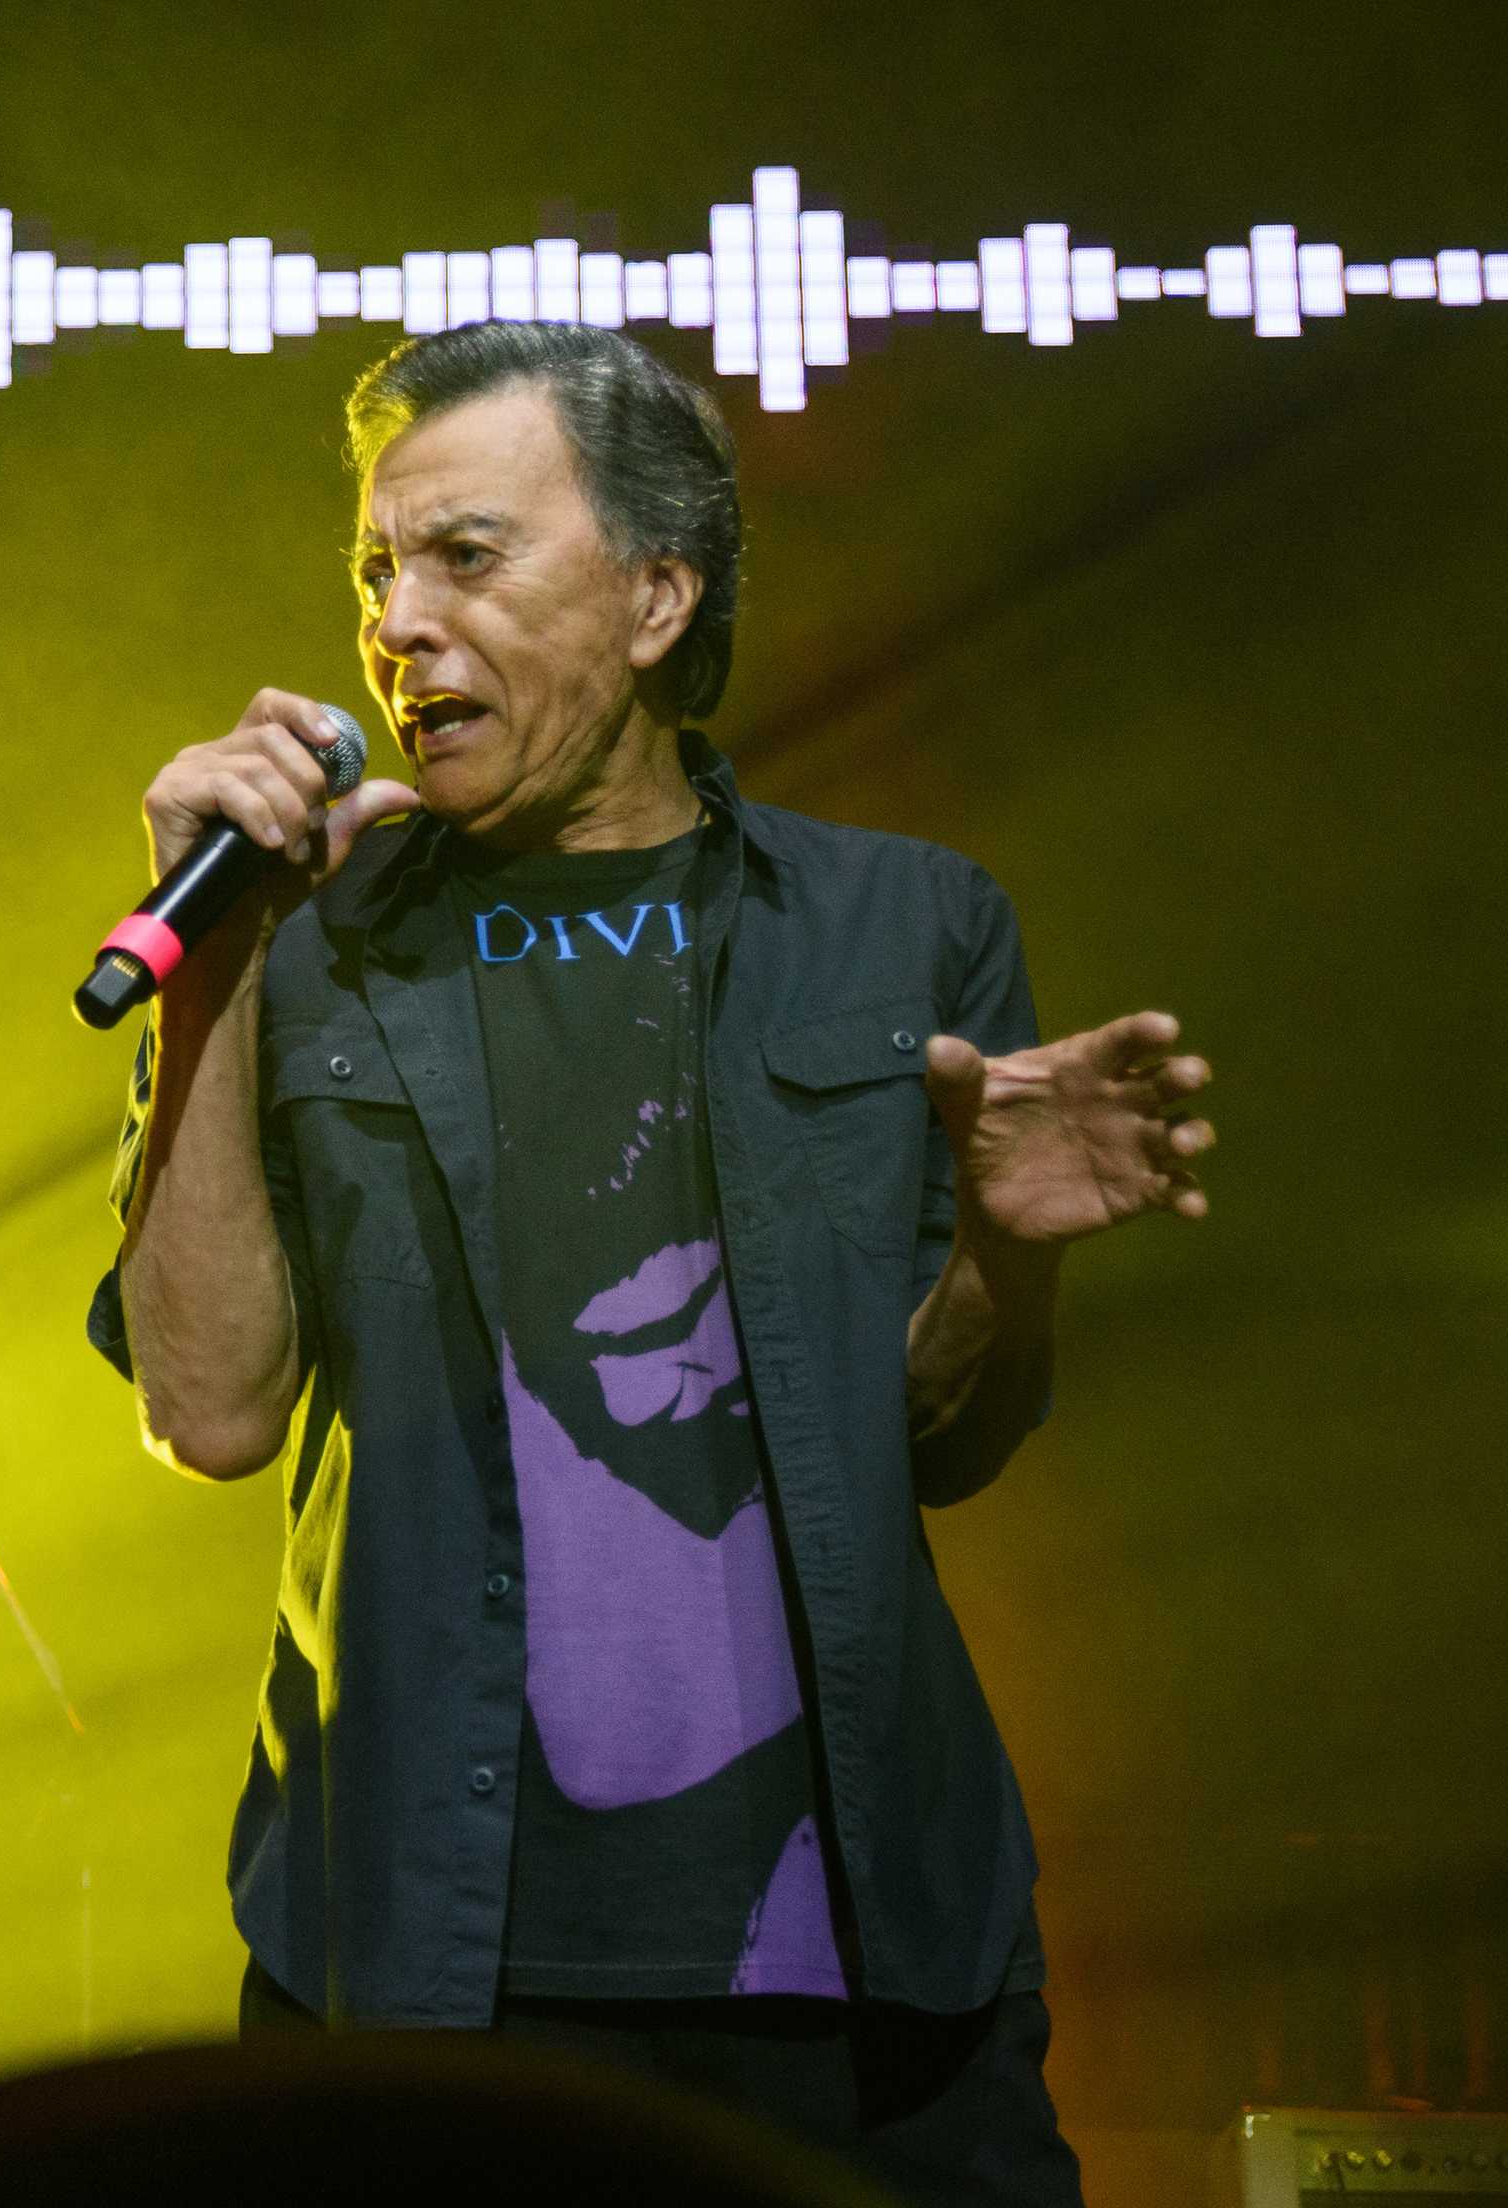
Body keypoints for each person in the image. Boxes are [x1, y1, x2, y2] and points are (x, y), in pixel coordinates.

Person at [90, 322, 1216, 2202]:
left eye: (466, 554)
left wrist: (1011, 1264)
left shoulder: (904, 928)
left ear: (653, 596)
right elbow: (208, 1414)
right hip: (421, 1961)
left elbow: (943, 1431)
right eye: (378, 569)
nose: (398, 622)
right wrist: (214, 972)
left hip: (854, 1964)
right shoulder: (314, 945)